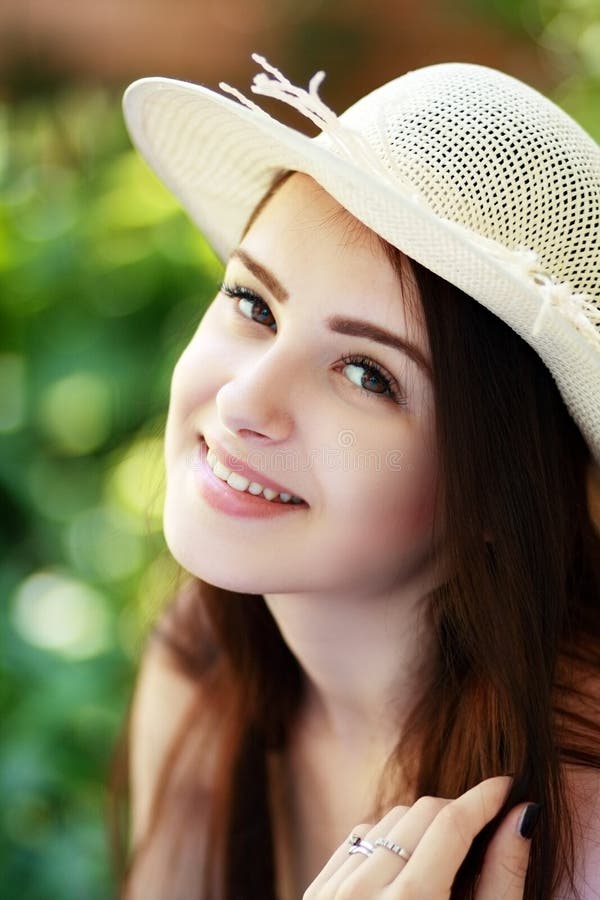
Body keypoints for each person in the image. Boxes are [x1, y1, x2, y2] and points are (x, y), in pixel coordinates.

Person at [115, 56, 600, 899]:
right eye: (255, 304)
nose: (243, 399)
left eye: (367, 374)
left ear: (497, 489)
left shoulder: (576, 821)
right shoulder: (201, 662)